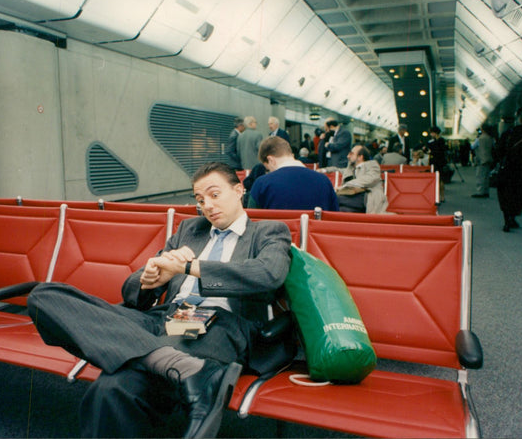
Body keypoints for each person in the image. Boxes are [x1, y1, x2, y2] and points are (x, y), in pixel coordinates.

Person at [27, 162, 292, 438]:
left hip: (217, 324)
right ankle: (182, 367)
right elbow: (132, 294)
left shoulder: (268, 232)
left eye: (215, 195)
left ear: (238, 190)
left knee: (111, 388)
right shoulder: (190, 229)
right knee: (44, 296)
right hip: (164, 318)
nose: (207, 206)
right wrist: (150, 279)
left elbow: (268, 273)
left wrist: (190, 267)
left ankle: (167, 361)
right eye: (200, 200)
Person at [248, 136, 338, 211]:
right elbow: (334, 219)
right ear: (291, 155)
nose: (269, 172)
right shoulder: (324, 181)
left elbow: (252, 223)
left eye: (268, 169)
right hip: (314, 231)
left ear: (271, 160)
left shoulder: (261, 184)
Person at [319, 145, 388, 214]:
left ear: (360, 157)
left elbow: (369, 179)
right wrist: (324, 170)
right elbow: (338, 169)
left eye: (351, 154)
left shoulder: (372, 165)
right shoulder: (351, 168)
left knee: (335, 198)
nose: (348, 156)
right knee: (342, 209)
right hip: (353, 199)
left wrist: (344, 186)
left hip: (368, 197)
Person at [472, 123, 495, 198]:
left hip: (480, 160)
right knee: (486, 176)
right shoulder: (491, 138)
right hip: (488, 158)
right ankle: (486, 191)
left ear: (482, 130)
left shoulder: (479, 139)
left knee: (480, 176)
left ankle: (480, 192)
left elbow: (472, 147)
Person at [426, 126, 448, 202]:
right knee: (441, 179)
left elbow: (433, 150)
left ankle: (439, 196)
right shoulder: (442, 141)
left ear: (435, 133)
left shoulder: (434, 141)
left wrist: (430, 151)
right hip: (441, 161)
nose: (431, 134)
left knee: (437, 179)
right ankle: (442, 196)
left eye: (432, 133)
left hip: (435, 161)